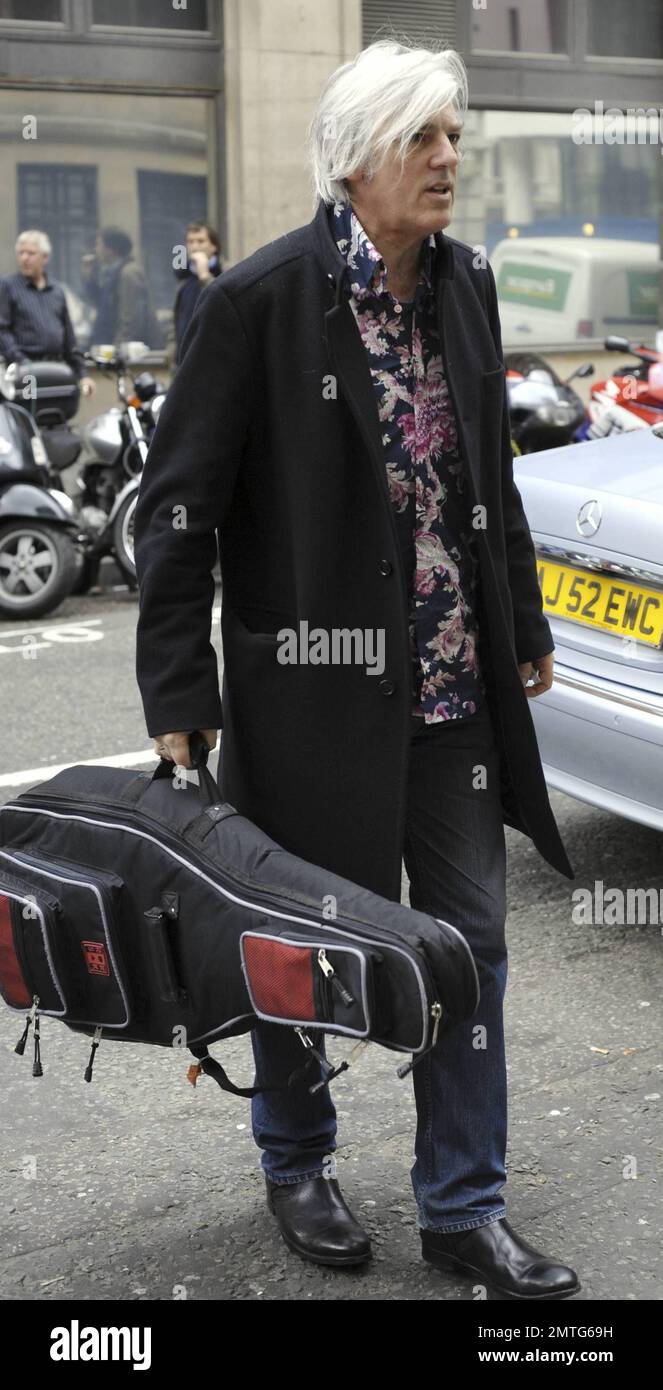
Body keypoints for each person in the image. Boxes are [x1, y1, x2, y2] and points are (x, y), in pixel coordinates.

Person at [133, 39, 580, 1300]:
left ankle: (464, 1209)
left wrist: (526, 623)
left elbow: (486, 477)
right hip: (313, 704)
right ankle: (299, 1162)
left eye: (455, 136)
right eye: (425, 138)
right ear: (355, 160)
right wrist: (179, 696)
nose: (451, 159)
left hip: (455, 702)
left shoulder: (470, 284)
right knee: (307, 954)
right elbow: (177, 513)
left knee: (471, 948)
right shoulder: (258, 303)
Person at [0, 230, 95, 395]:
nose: (24, 258)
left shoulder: (57, 291)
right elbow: (2, 330)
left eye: (31, 253)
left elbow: (69, 339)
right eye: (21, 253)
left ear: (45, 257)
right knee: (30, 415)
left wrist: (83, 375)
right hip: (25, 372)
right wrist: (20, 361)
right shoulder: (8, 286)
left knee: (57, 415)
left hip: (57, 369)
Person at [81, 227, 158, 347]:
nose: (95, 250)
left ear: (111, 249)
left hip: (127, 352)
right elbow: (103, 306)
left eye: (98, 245)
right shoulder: (113, 273)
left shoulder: (128, 273)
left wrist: (116, 351)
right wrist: (89, 279)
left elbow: (130, 320)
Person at [169, 221, 222, 366]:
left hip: (213, 358)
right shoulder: (184, 279)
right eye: (190, 242)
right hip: (184, 360)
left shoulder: (226, 273)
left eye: (200, 241)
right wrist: (171, 354)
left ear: (214, 246)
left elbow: (221, 306)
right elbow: (175, 319)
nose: (195, 246)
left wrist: (205, 276)